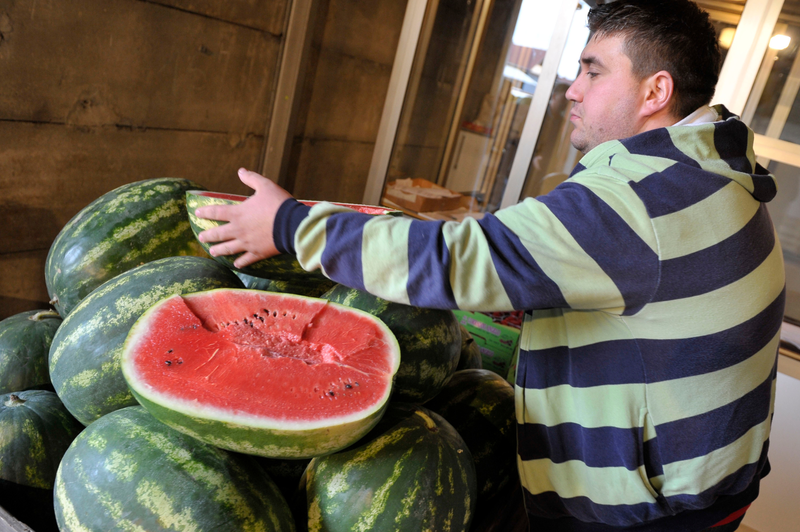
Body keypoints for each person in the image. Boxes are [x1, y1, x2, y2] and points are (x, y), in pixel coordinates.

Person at [196, 0, 785, 530]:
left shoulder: (641, 198)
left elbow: (459, 261)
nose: (571, 90)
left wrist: (288, 225)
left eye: (593, 70)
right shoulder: (712, 169)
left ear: (655, 92)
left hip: (648, 510)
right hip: (707, 479)